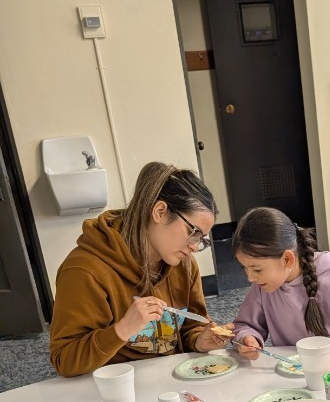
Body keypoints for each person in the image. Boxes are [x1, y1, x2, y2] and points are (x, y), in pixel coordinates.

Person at [50, 162, 230, 377]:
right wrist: (123, 329)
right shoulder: (84, 271)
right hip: (116, 390)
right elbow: (65, 360)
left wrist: (200, 341)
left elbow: (190, 328)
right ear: (160, 212)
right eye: (193, 231)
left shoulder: (183, 263)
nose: (194, 246)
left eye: (201, 239)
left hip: (170, 381)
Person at [231, 207, 330, 368]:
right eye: (244, 268)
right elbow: (243, 326)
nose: (250, 277)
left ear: (287, 259)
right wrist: (248, 338)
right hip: (292, 374)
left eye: (257, 269)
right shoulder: (261, 286)